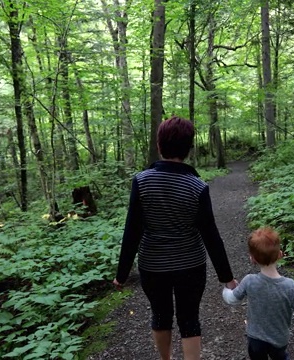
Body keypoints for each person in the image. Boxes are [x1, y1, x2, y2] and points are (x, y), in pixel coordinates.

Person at [113, 116, 238, 360]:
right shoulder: (197, 186)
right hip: (191, 264)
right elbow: (210, 234)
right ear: (189, 149)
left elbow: (132, 231)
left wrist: (122, 274)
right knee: (189, 319)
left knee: (160, 315)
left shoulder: (141, 181)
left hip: (153, 265)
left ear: (159, 145)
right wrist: (227, 277)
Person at [222, 227, 294, 360]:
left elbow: (232, 299)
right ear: (280, 255)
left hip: (255, 338)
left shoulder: (249, 281)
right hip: (279, 339)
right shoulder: (289, 285)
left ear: (252, 259)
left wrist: (227, 289)